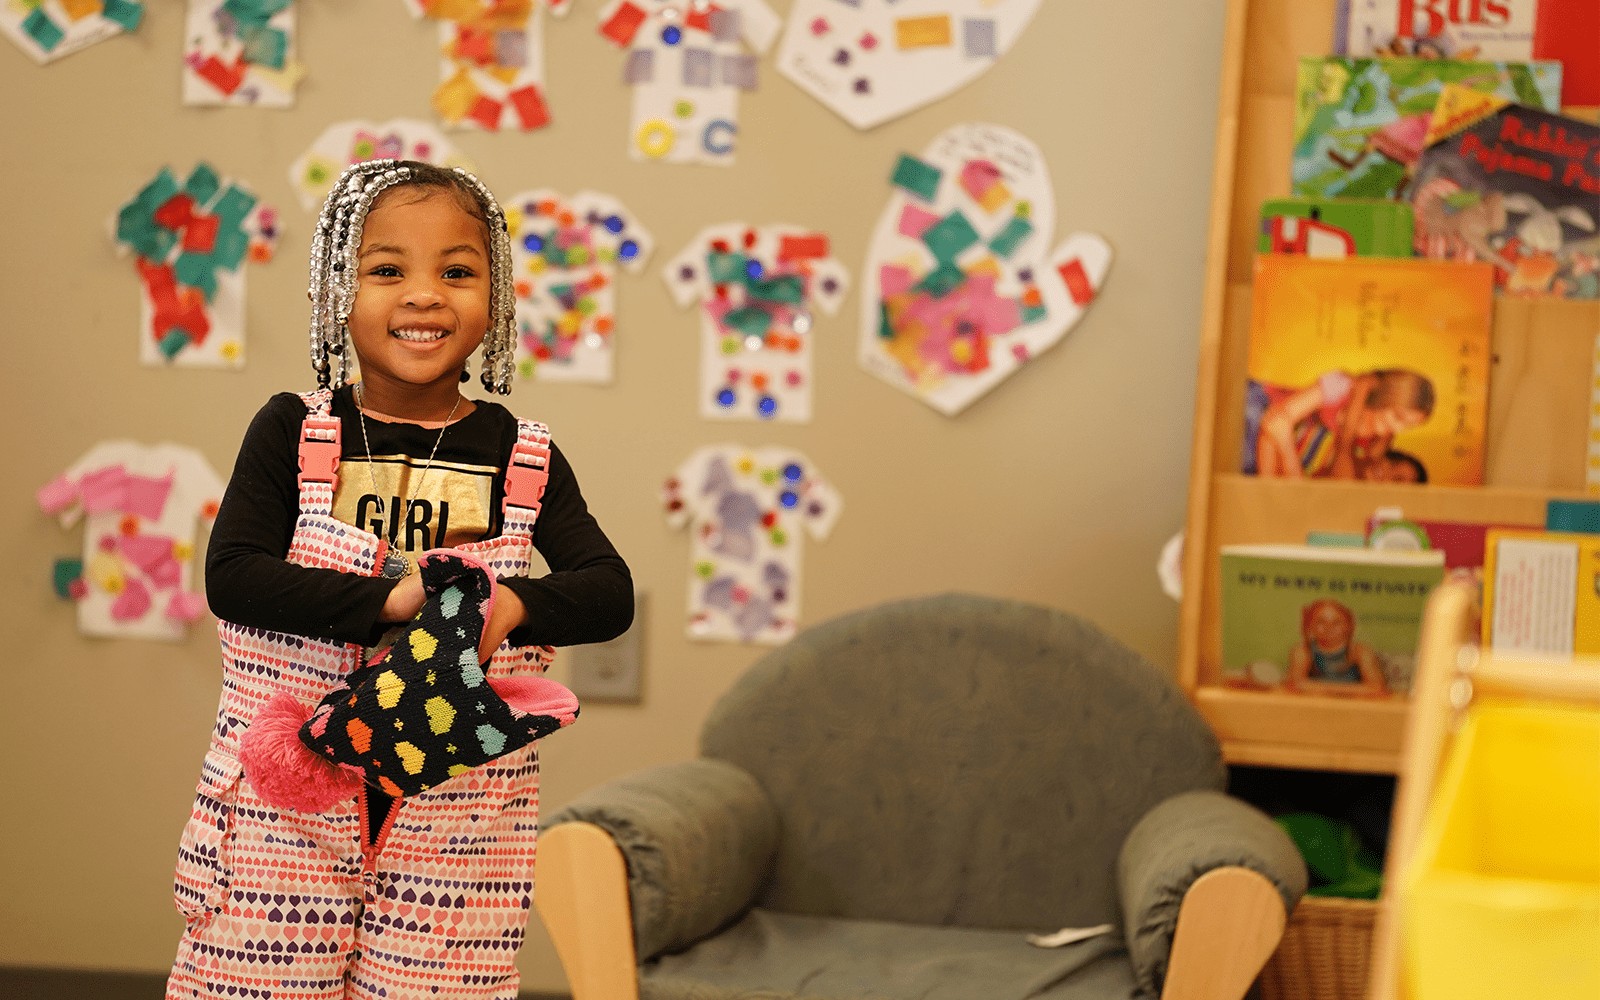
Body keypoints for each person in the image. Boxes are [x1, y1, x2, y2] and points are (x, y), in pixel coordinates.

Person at [165, 161, 633, 1000]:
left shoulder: (522, 455)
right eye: (388, 271)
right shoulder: (294, 431)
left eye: (457, 272)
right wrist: (391, 598)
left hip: (459, 822)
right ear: (337, 291)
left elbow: (609, 590)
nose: (424, 296)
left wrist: (511, 606)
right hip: (286, 808)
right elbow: (234, 578)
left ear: (495, 300)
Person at [1243, 368, 1434, 479]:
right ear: (1386, 397)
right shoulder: (1344, 387)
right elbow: (1275, 421)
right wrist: (1285, 479)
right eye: (1398, 417)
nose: (1398, 429)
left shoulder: (1373, 447)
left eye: (1408, 426)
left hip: (1261, 459)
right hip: (1256, 408)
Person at [1287, 599, 1387, 698]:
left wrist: (1319, 689)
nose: (1329, 628)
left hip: (1353, 706)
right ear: (1310, 626)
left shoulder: (1360, 651)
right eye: (1321, 622)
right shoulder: (1303, 651)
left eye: (1337, 623)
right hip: (1315, 705)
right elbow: (1294, 685)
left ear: (1348, 626)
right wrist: (1352, 690)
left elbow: (1377, 688)